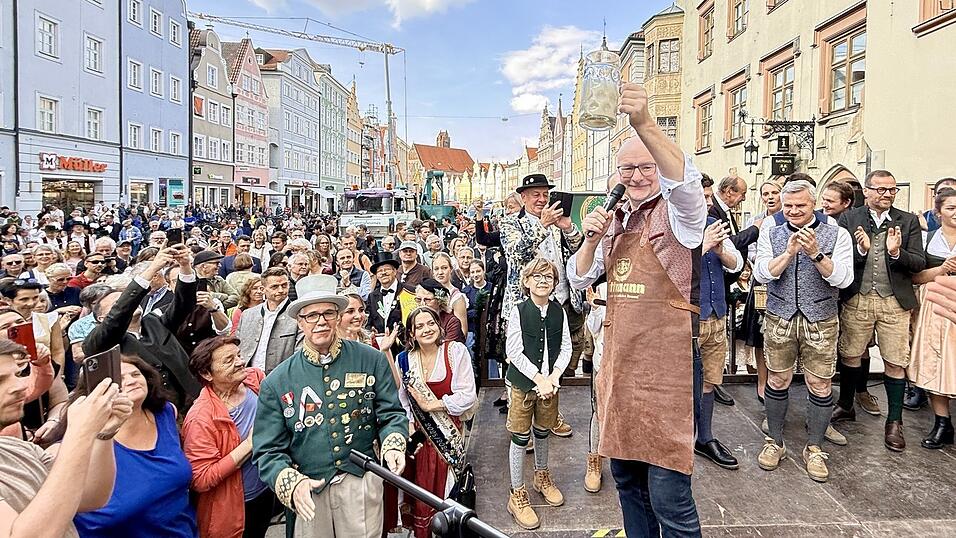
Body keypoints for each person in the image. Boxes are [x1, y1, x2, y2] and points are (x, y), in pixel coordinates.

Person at [570, 82, 706, 537]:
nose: (635, 176)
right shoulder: (614, 218)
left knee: (669, 490)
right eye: (626, 168)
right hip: (621, 360)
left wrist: (644, 124)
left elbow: (685, 182)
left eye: (645, 166)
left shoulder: (681, 213)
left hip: (668, 364)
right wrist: (591, 240)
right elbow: (578, 278)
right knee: (627, 480)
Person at [252, 275, 408, 538]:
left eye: (327, 313)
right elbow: (267, 450)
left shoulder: (370, 359)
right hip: (309, 486)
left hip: (360, 479)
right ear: (299, 322)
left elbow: (391, 413)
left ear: (337, 316)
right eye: (311, 315)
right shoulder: (278, 381)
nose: (320, 321)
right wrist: (291, 483)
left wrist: (393, 444)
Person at [752, 180, 854, 482]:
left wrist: (817, 255)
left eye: (801, 206)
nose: (794, 211)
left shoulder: (838, 233)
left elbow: (844, 279)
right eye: (789, 206)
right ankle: (775, 442)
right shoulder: (771, 230)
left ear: (814, 205)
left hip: (820, 317)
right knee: (778, 378)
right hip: (780, 315)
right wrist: (788, 253)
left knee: (820, 385)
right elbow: (761, 272)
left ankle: (815, 447)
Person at [0, 340, 132, 538]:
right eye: (1, 380)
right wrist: (79, 432)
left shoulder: (19, 449)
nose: (21, 386)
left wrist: (103, 434)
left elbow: (91, 497)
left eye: (18, 375)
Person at [834, 170, 925, 452]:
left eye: (892, 190)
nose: (887, 195)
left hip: (893, 301)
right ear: (867, 190)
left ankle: (894, 422)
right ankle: (846, 404)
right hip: (858, 298)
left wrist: (896, 253)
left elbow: (918, 262)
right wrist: (861, 250)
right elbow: (841, 256)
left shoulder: (907, 221)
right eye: (881, 190)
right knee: (850, 353)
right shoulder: (850, 217)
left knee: (895, 360)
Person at [73, 355, 198, 537]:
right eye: (121, 379)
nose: (131, 381)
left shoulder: (166, 413)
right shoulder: (84, 441)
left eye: (135, 374)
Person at [82, 245, 203, 412]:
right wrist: (153, 267)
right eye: (118, 303)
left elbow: (184, 304)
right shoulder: (101, 341)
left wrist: (185, 266)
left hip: (192, 404)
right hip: (150, 411)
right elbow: (119, 315)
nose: (130, 304)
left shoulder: (154, 322)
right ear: (102, 318)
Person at [392, 307, 477, 538]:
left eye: (430, 323)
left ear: (438, 326)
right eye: (419, 326)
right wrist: (410, 426)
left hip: (446, 436)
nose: (426, 329)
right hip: (419, 439)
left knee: (447, 491)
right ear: (411, 333)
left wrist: (433, 405)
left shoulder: (455, 351)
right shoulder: (404, 360)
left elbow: (468, 395)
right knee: (421, 492)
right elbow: (404, 401)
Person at [182, 335, 276, 538]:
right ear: (206, 373)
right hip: (238, 506)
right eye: (229, 360)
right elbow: (201, 479)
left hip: (267, 491)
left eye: (239, 355)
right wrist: (250, 443)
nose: (241, 362)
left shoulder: (254, 378)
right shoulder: (200, 419)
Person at [503, 258, 571, 530]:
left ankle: (541, 476)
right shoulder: (519, 311)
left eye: (549, 277)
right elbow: (514, 352)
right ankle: (516, 492)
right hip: (524, 384)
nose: (544, 281)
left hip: (550, 384)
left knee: (543, 430)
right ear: (527, 281)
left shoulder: (559, 312)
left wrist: (554, 376)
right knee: (520, 435)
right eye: (538, 276)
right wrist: (539, 378)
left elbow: (565, 347)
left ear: (555, 283)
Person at [695, 176, 744, 471]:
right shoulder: (673, 224)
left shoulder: (713, 222)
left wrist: (720, 251)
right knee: (680, 385)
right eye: (703, 196)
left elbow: (736, 264)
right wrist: (702, 247)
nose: (709, 202)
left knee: (710, 381)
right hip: (688, 320)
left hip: (716, 313)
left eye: (710, 196)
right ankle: (677, 440)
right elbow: (665, 269)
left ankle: (706, 438)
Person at [907, 188, 956, 449]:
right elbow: (914, 277)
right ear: (938, 212)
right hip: (935, 304)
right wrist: (941, 269)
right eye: (951, 208)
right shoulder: (927, 240)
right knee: (935, 363)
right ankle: (942, 422)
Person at [237, 267, 301, 374]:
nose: (281, 290)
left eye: (284, 285)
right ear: (263, 289)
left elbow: (299, 353)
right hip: (248, 378)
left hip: (282, 378)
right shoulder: (247, 315)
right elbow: (238, 347)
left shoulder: (298, 314)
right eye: (274, 287)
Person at [415, 279, 465, 344]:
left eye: (427, 299)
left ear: (439, 301)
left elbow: (449, 349)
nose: (422, 304)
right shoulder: (415, 321)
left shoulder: (451, 322)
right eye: (418, 299)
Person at [430, 253, 468, 336]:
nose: (440, 272)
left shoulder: (457, 297)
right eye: (436, 269)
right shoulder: (428, 293)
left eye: (444, 268)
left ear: (450, 269)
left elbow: (463, 332)